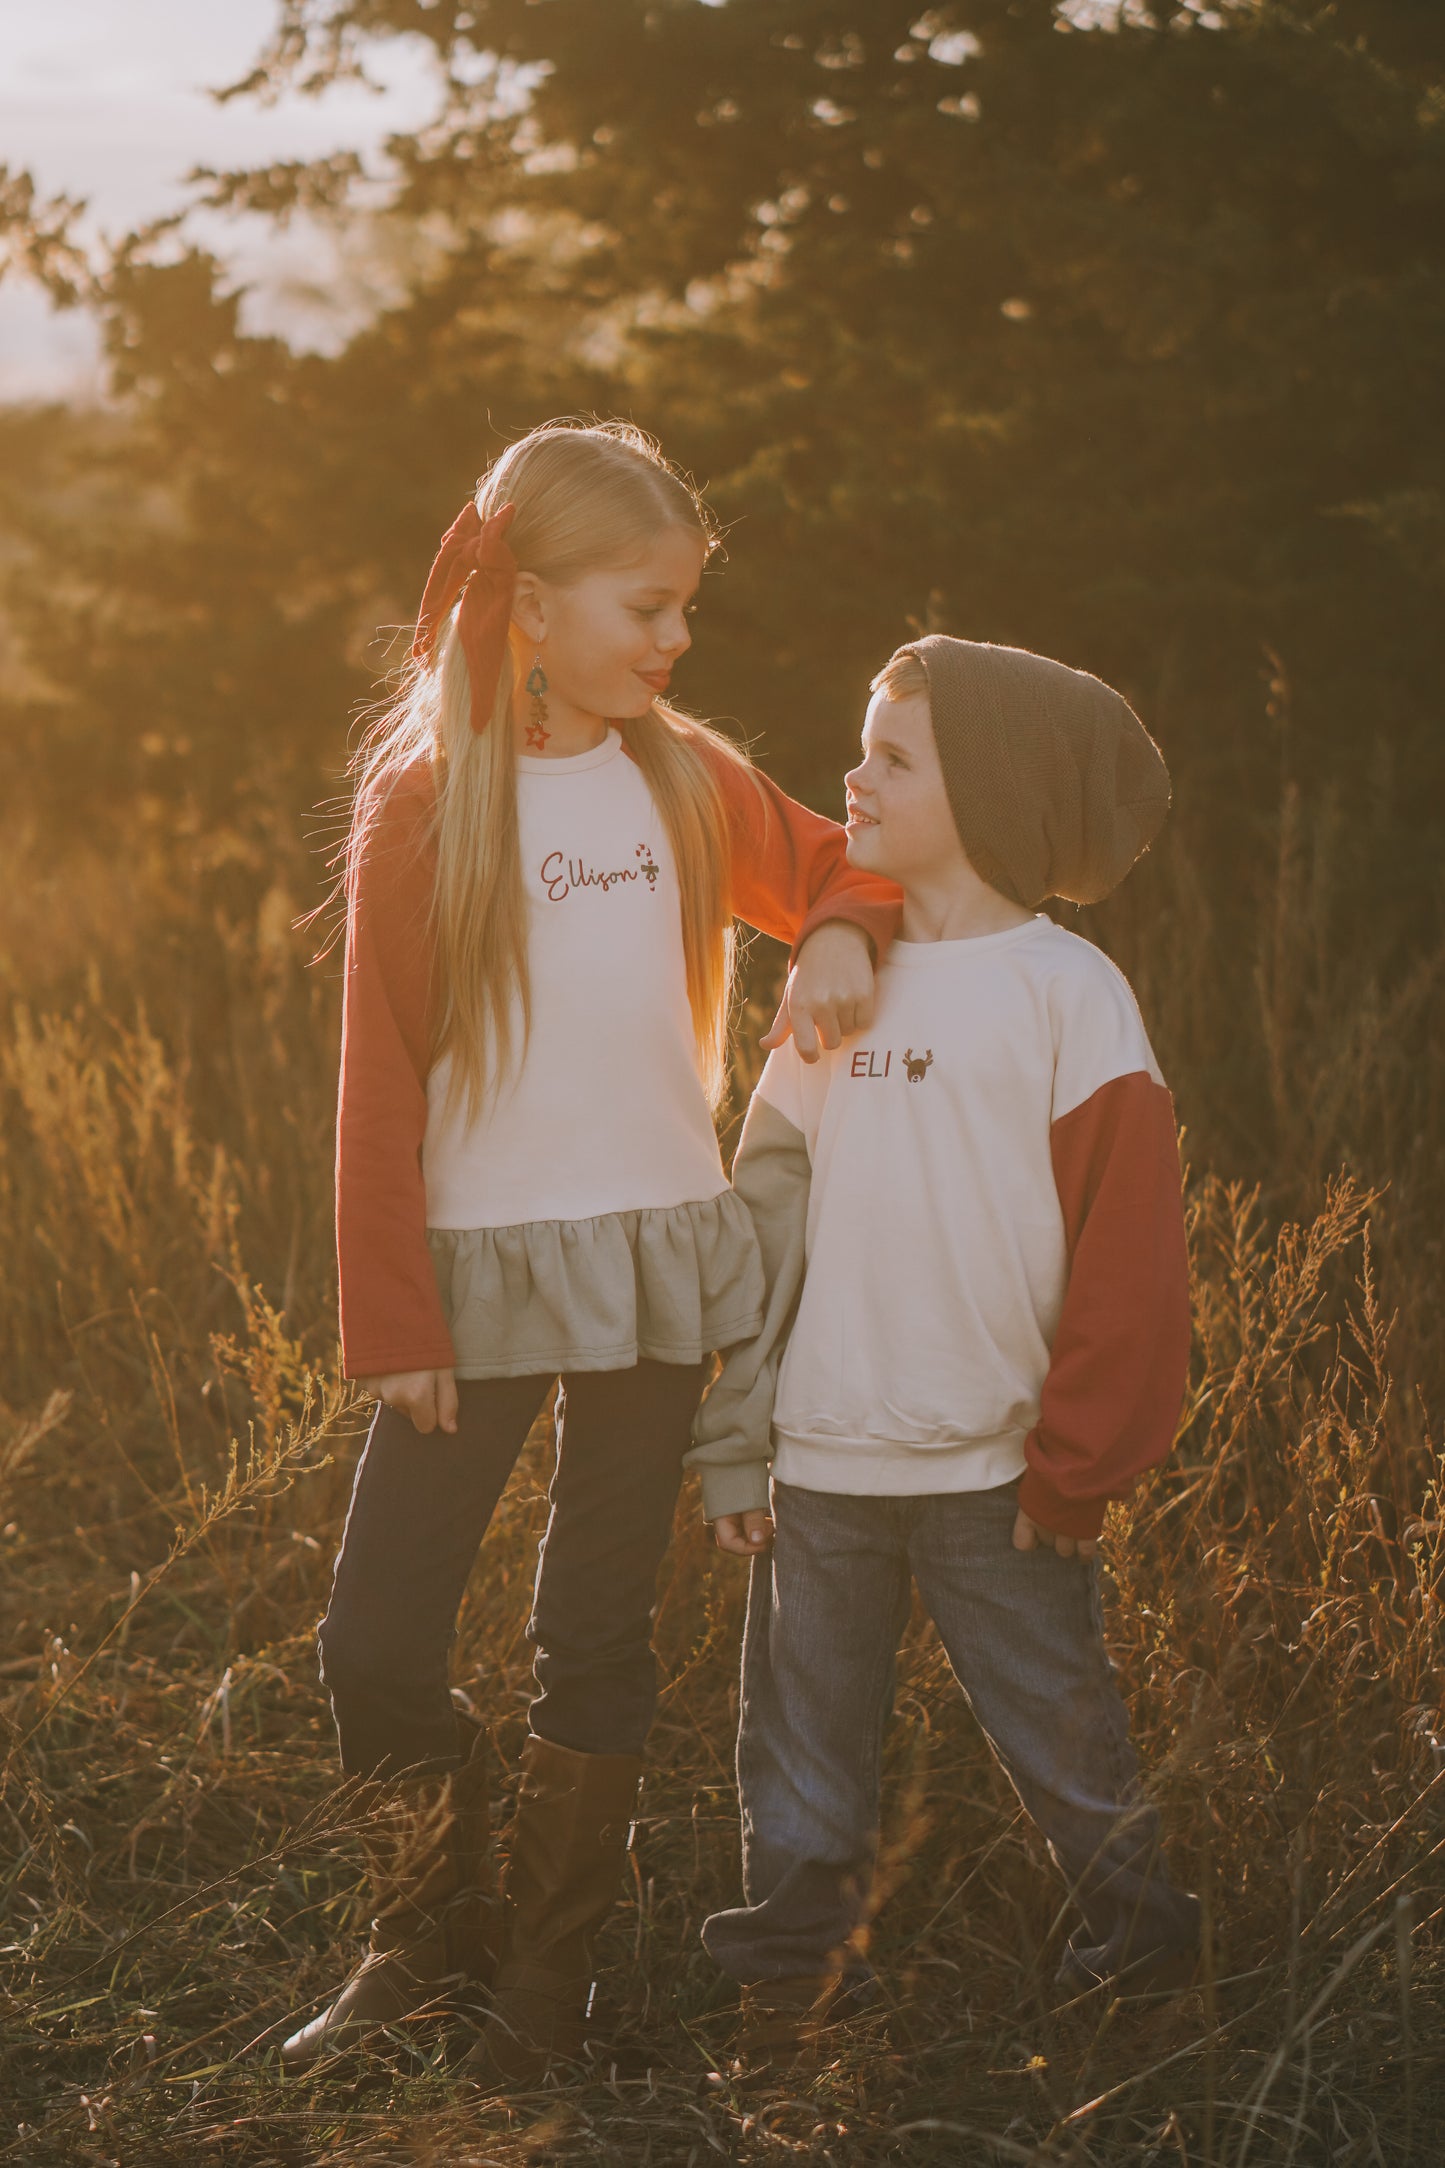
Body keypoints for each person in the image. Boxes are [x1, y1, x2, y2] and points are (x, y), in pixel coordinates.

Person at [281, 422, 900, 2077]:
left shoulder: (681, 777)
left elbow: (846, 866)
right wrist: (390, 1318)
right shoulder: (428, 801)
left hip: (650, 1271)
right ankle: (424, 1934)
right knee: (374, 1638)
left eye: (686, 605)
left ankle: (545, 1984)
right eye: (647, 606)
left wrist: (837, 933)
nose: (676, 638)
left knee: (594, 1632)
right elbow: (376, 1077)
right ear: (532, 606)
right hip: (471, 1278)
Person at [687, 635, 1201, 2053]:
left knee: (1067, 1743)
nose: (851, 779)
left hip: (1002, 1478)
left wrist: (1077, 1469)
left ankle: (1149, 1973)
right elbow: (761, 1231)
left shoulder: (1066, 993)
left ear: (990, 789)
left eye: (892, 758)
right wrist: (735, 1443)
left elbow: (1130, 1265)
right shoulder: (832, 981)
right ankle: (794, 1984)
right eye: (861, 750)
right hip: (819, 1468)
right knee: (801, 1759)